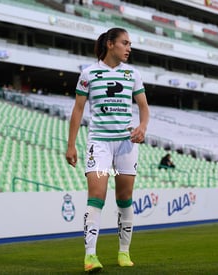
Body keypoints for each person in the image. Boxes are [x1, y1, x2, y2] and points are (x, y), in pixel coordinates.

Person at [66, 27, 149, 272]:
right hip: (99, 144)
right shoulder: (88, 74)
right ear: (110, 44)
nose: (129, 48)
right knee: (97, 195)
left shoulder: (133, 74)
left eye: (130, 44)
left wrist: (143, 127)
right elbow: (78, 111)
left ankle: (124, 252)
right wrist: (71, 145)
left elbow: (144, 107)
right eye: (125, 43)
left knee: (124, 199)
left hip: (126, 145)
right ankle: (90, 256)